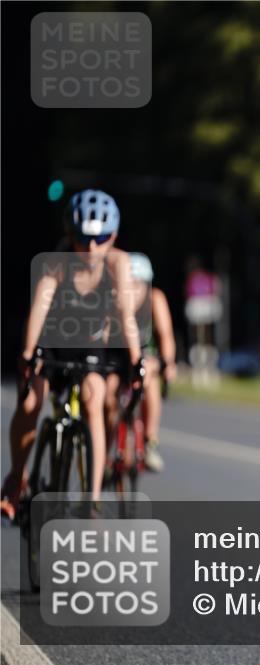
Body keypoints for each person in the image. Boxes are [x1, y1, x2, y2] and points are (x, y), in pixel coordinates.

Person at [1, 190, 143, 519]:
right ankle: (16, 479)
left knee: (94, 398)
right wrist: (27, 352)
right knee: (30, 402)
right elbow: (39, 308)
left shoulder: (118, 263)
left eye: (101, 238)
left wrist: (136, 361)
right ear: (69, 235)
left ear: (114, 236)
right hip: (52, 340)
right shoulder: (56, 263)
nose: (91, 248)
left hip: (89, 342)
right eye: (82, 239)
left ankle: (91, 500)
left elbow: (126, 314)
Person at [105, 253, 177, 472]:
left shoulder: (156, 299)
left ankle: (149, 441)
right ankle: (104, 449)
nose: (132, 290)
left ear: (147, 284)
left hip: (147, 357)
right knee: (108, 395)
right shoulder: (114, 300)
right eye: (128, 284)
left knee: (150, 379)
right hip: (117, 358)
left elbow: (166, 336)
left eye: (137, 285)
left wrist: (168, 363)